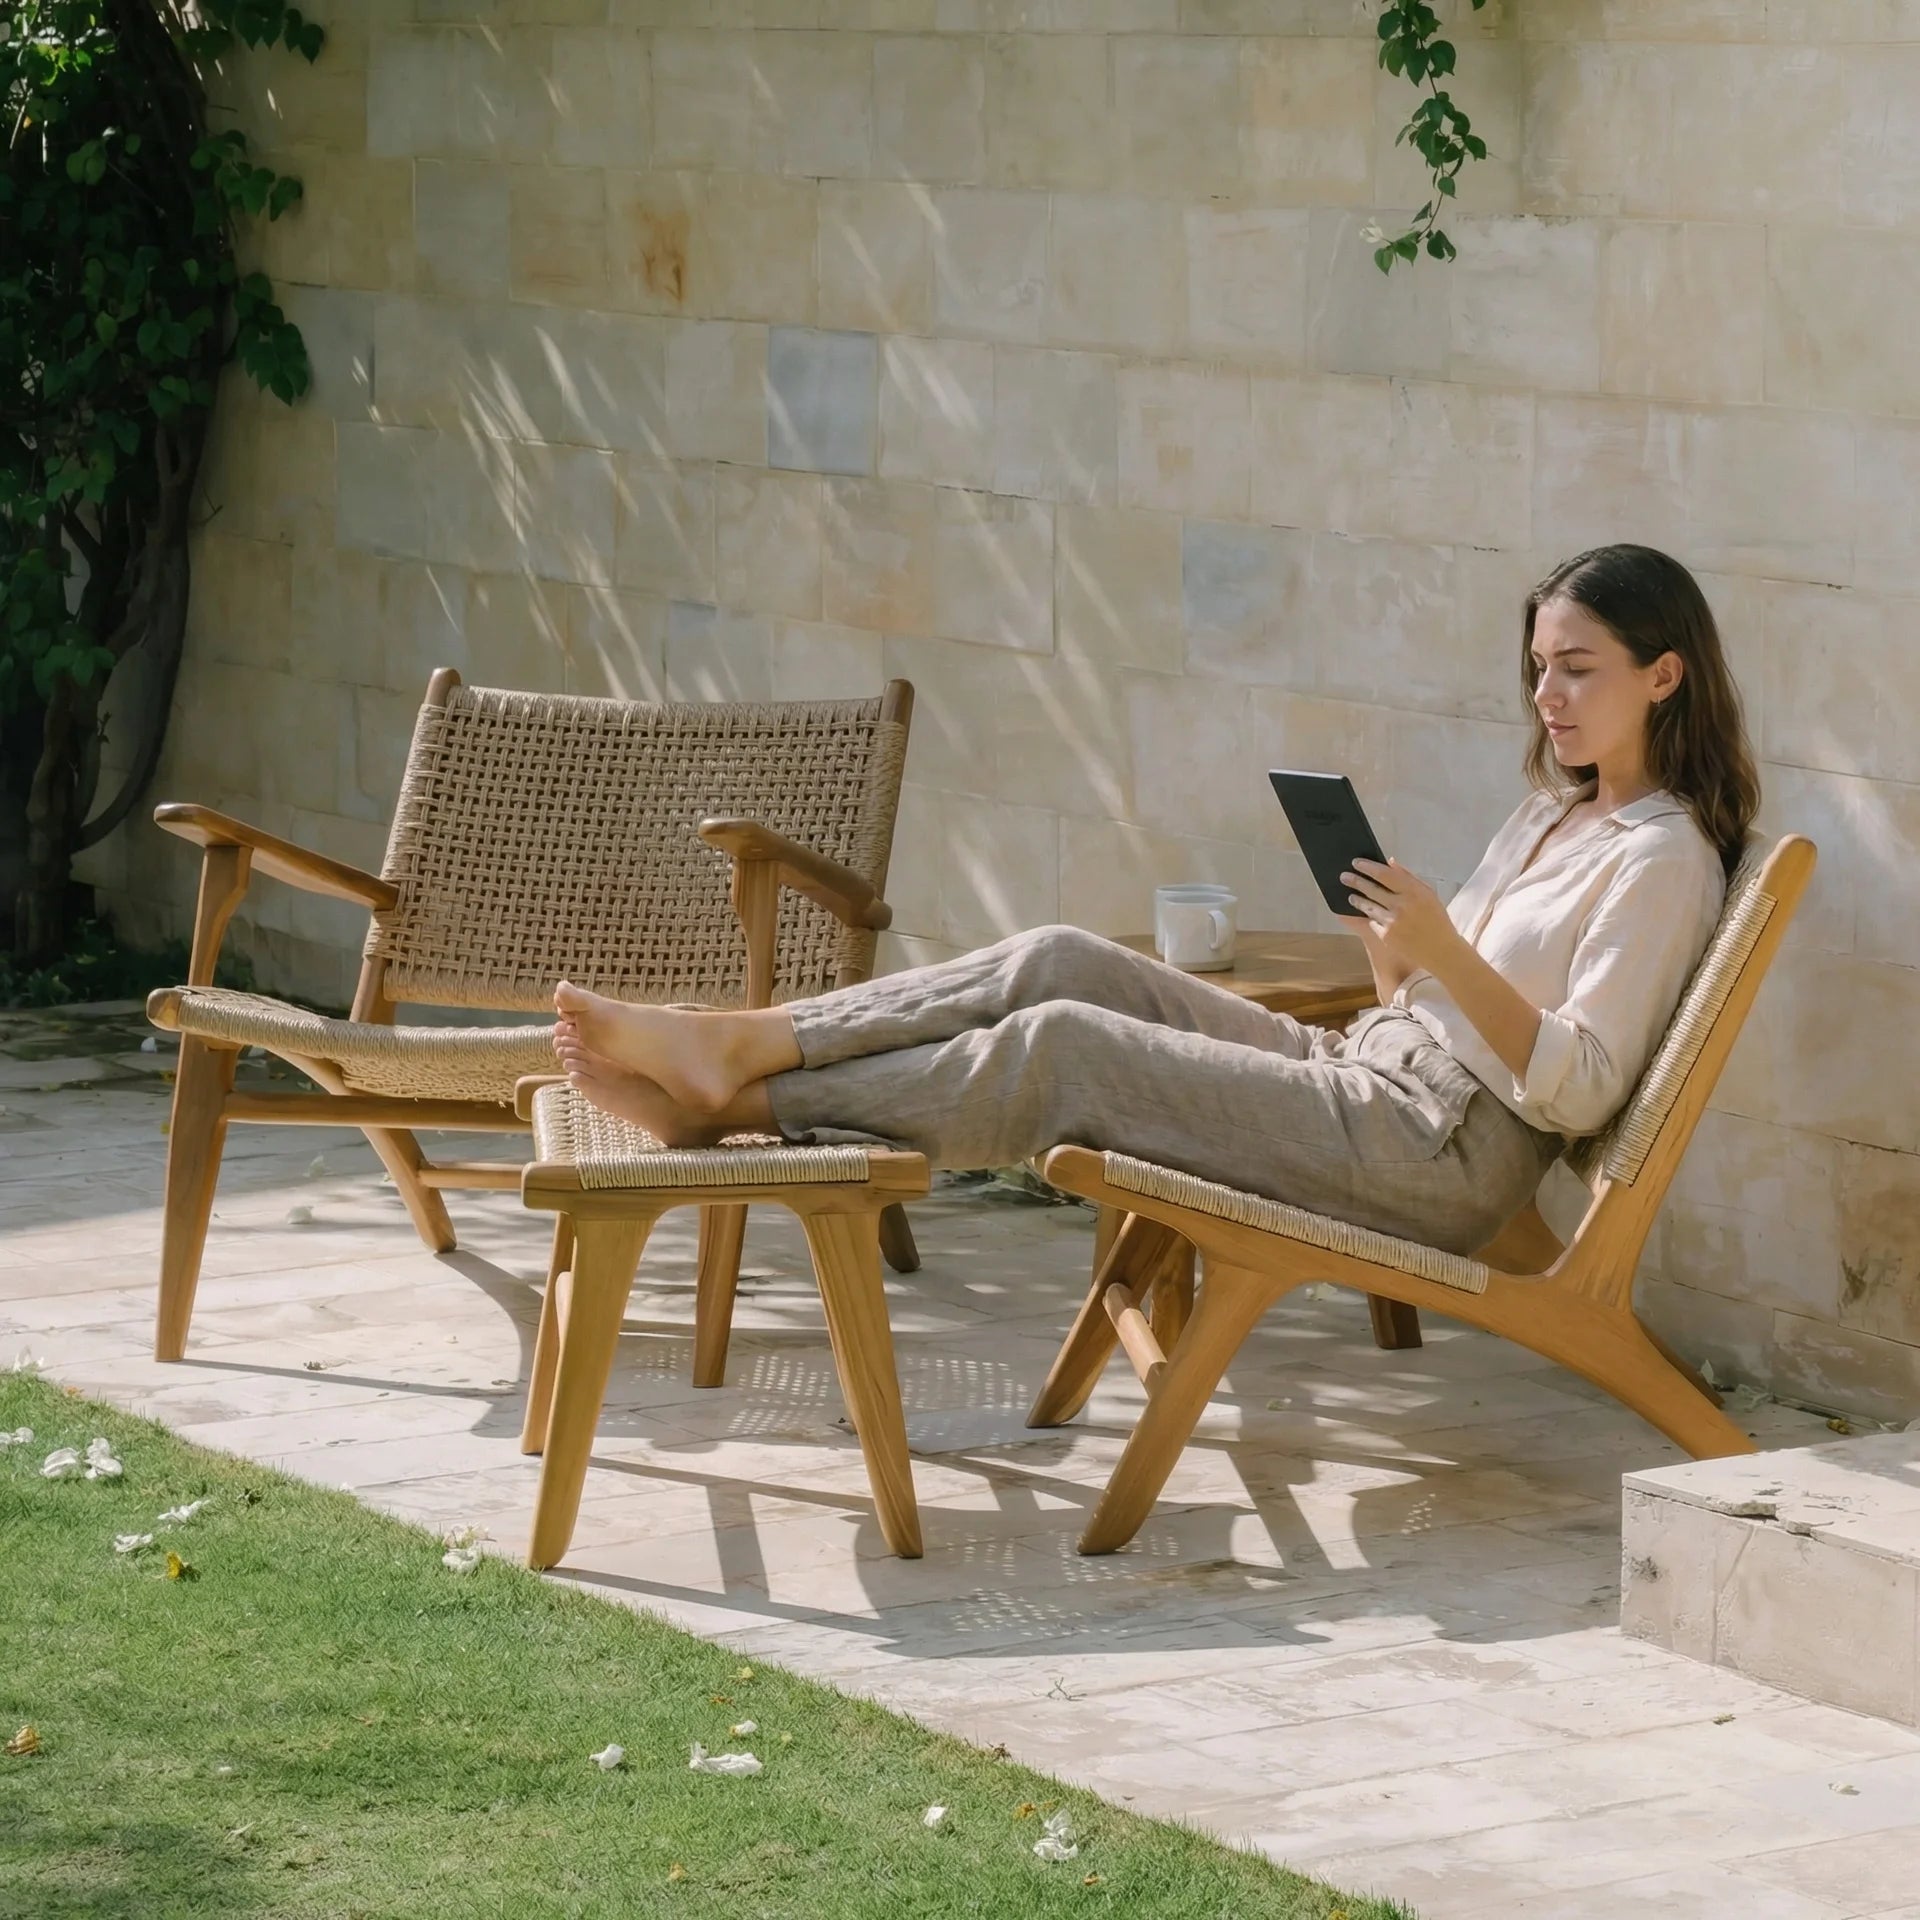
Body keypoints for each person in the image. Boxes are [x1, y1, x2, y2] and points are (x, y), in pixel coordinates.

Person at [551, 544, 1760, 1257]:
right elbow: (1434, 1003)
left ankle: (740, 1104)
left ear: (1665, 674)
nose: (1547, 694)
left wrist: (1443, 942)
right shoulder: (1553, 809)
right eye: (1539, 667)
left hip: (1437, 1153)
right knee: (1062, 959)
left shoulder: (1662, 860)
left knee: (1064, 1051)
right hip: (1373, 1071)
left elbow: (1582, 1087)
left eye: (1578, 669)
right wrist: (1398, 953)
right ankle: (740, 1044)